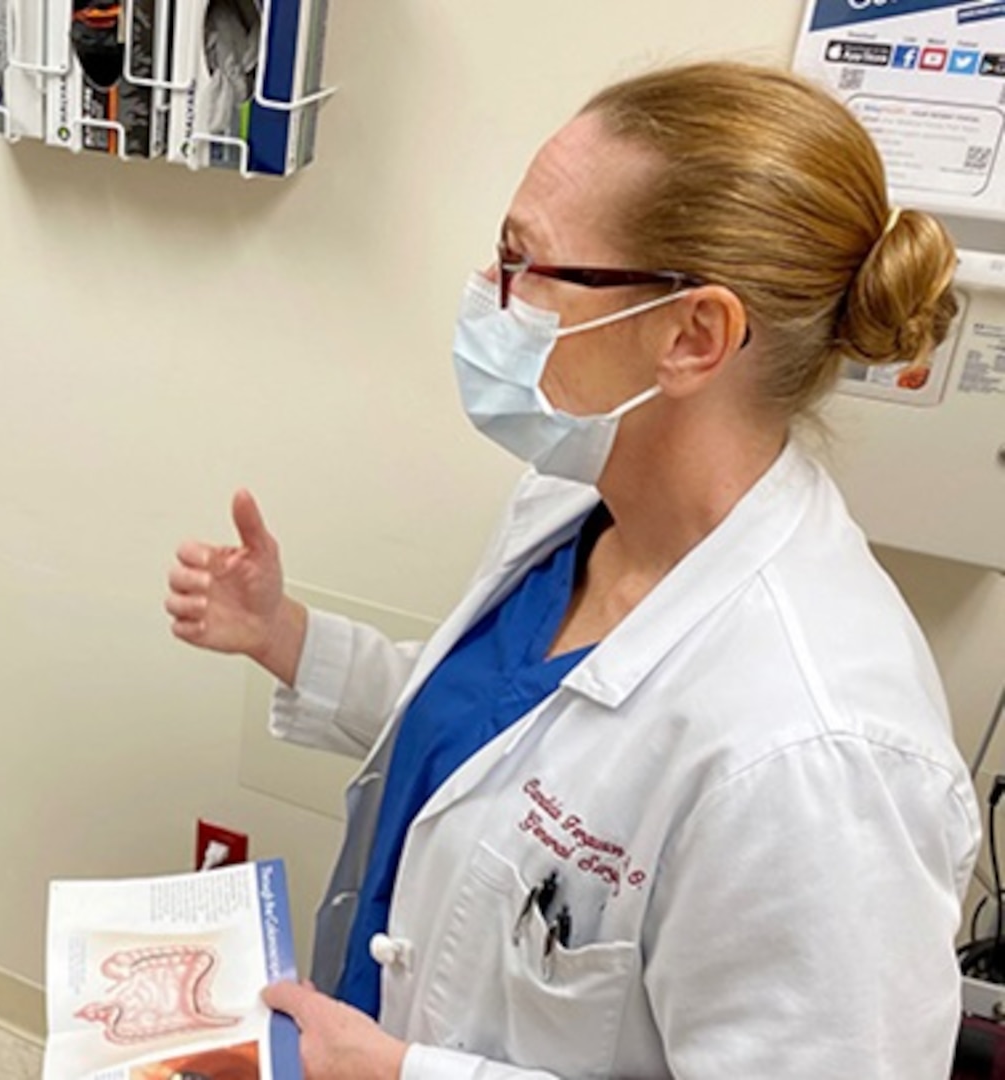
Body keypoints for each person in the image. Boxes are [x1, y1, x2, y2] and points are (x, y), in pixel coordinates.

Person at [166, 61, 979, 1079]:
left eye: (523, 264)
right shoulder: (583, 501)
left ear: (694, 335)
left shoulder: (817, 758)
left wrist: (402, 1074)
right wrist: (285, 638)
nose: (486, 299)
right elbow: (500, 751)